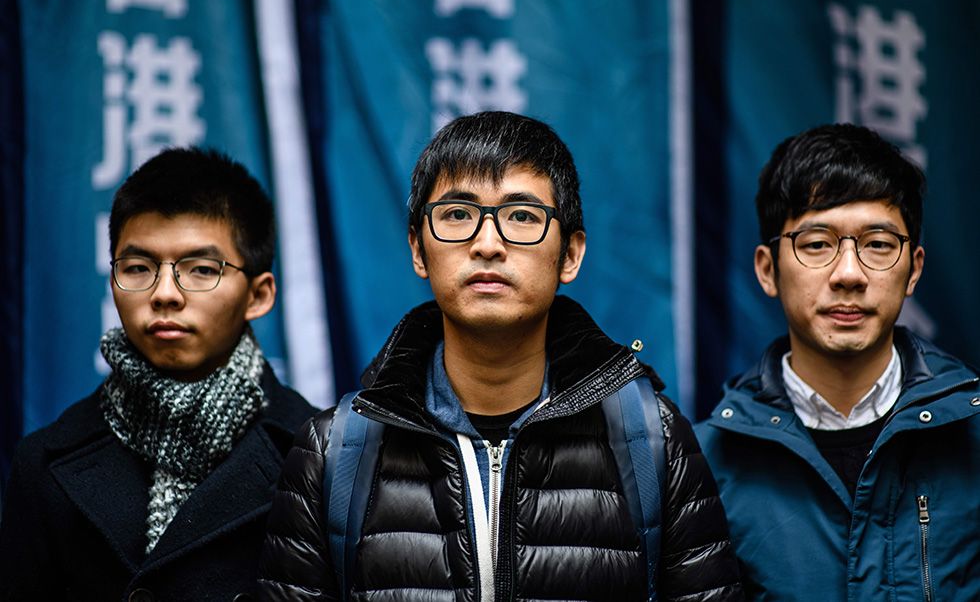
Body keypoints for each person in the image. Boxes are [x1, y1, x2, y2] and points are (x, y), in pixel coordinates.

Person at [257, 111, 743, 601]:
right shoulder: (333, 452)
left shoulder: (654, 440)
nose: (487, 244)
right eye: (457, 215)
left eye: (522, 217)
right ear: (418, 250)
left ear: (570, 255)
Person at [0, 148, 317, 600]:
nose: (164, 293)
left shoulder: (320, 457)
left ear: (259, 295)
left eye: (202, 269)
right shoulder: (44, 466)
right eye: (138, 268)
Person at [696, 123, 980, 600]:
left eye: (878, 245)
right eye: (816, 244)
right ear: (768, 269)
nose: (849, 274)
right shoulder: (703, 466)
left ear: (914, 270)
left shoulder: (972, 436)